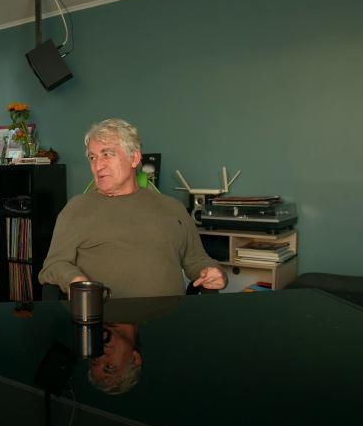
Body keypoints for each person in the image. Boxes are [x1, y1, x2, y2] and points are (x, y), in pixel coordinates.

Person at [38, 118, 226, 297]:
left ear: (134, 158)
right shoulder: (77, 208)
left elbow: (196, 260)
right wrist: (75, 281)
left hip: (167, 323)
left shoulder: (172, 208)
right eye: (92, 157)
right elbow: (54, 265)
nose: (98, 165)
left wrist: (214, 273)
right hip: (105, 322)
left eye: (108, 154)